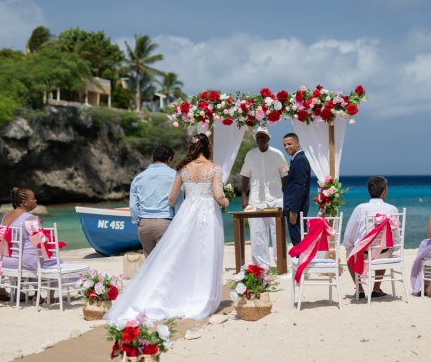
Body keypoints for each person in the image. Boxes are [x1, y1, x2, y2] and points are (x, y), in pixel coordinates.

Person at [105, 133, 229, 322]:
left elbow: (171, 198)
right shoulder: (214, 168)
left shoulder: (182, 169)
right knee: (205, 253)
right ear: (207, 147)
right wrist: (225, 201)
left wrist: (183, 208)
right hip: (207, 214)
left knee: (174, 257)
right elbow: (218, 194)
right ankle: (201, 297)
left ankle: (162, 296)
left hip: (186, 214)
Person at [342, 176, 398, 299]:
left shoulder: (361, 208)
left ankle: (360, 289)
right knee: (385, 248)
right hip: (383, 254)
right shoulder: (393, 209)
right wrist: (394, 248)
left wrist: (348, 246)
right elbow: (396, 238)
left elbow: (349, 234)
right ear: (384, 192)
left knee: (350, 253)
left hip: (364, 254)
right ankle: (376, 289)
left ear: (369, 191)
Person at [240, 127, 288, 267]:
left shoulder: (277, 154)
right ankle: (261, 266)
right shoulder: (250, 155)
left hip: (276, 199)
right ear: (256, 139)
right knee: (257, 234)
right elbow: (245, 175)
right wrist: (244, 197)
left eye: (263, 137)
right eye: (258, 137)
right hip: (255, 200)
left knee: (278, 233)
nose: (260, 139)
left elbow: (285, 175)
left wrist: (285, 194)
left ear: (268, 139)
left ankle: (281, 264)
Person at [129, 145, 182, 256]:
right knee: (165, 263)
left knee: (149, 264)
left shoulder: (139, 178)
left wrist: (138, 221)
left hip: (144, 225)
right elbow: (178, 202)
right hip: (164, 222)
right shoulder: (175, 176)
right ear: (169, 159)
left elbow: (133, 206)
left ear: (153, 159)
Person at [282, 133, 311, 246]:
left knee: (299, 242)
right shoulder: (295, 160)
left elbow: (300, 187)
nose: (286, 147)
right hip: (294, 209)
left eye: (289, 144)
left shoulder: (300, 160)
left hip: (296, 210)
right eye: (284, 145)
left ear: (297, 143)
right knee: (298, 241)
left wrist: (294, 210)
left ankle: (302, 262)